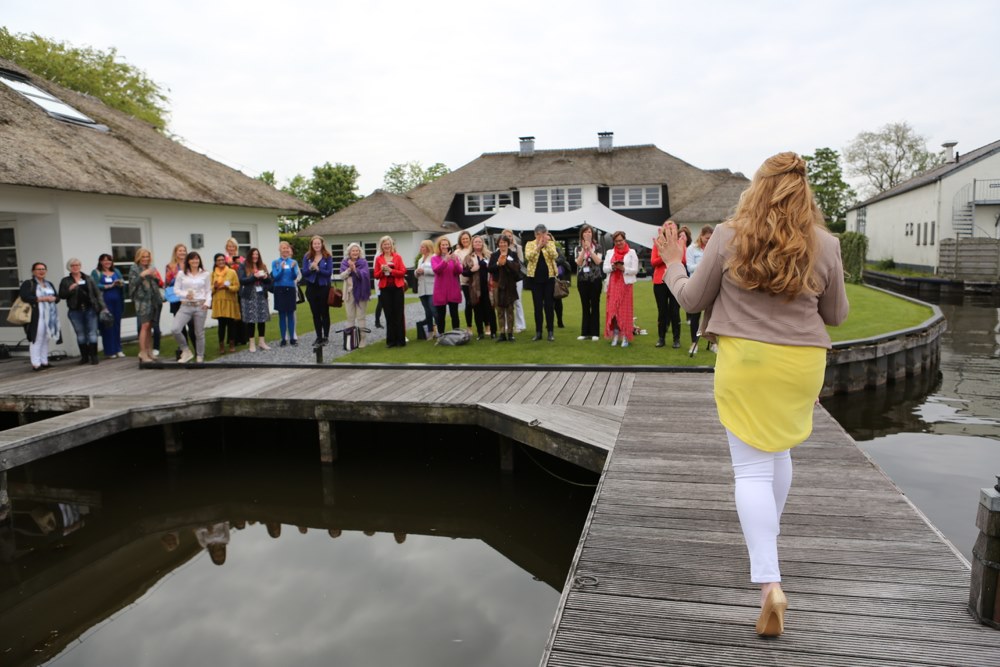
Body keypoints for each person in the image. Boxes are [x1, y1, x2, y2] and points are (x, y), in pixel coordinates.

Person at [657, 151, 849, 637]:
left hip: (746, 362)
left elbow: (692, 299)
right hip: (801, 366)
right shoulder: (825, 244)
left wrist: (674, 264)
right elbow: (837, 315)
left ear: (757, 189)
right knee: (777, 451)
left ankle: (769, 582)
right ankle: (768, 544)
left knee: (749, 467)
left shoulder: (727, 236)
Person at [58, 257, 105, 365]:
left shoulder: (88, 278)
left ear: (80, 266)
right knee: (80, 334)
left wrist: (103, 307)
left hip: (90, 309)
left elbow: (97, 293)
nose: (75, 267)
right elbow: (61, 295)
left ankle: (94, 356)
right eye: (73, 265)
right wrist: (70, 289)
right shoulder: (65, 281)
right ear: (69, 268)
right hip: (75, 311)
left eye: (77, 265)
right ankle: (84, 357)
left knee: (92, 333)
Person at [19, 262, 60, 370]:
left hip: (49, 316)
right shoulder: (29, 283)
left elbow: (57, 297)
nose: (41, 271)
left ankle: (44, 361)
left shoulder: (49, 283)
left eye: (43, 269)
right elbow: (25, 297)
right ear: (33, 271)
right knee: (36, 339)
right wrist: (42, 299)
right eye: (38, 269)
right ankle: (36, 364)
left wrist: (54, 298)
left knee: (46, 338)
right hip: (36, 315)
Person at [651, 220, 685, 348]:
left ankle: (676, 339)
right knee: (662, 311)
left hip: (674, 280)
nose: (670, 228)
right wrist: (665, 256)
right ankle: (661, 338)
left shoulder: (679, 243)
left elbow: (683, 259)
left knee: (675, 311)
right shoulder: (658, 244)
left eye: (672, 227)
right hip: (660, 282)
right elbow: (653, 262)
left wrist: (668, 256)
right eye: (667, 226)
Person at [172, 251, 211, 363]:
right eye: (192, 259)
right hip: (185, 306)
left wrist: (207, 303)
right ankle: (186, 350)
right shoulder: (181, 274)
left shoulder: (205, 274)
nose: (195, 261)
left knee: (199, 333)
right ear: (188, 261)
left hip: (200, 305)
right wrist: (185, 294)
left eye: (197, 259)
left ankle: (200, 356)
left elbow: (208, 290)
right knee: (175, 329)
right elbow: (176, 290)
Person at [603, 231, 639, 347]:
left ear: (625, 240)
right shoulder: (610, 252)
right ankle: (615, 334)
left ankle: (625, 336)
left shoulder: (631, 252)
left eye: (621, 240)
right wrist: (613, 267)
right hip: (613, 284)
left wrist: (624, 268)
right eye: (617, 241)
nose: (619, 243)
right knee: (613, 310)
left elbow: (635, 270)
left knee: (625, 311)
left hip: (626, 285)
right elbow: (605, 268)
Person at [127, 247, 163, 362]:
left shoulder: (151, 267)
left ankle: (149, 351)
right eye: (143, 257)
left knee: (150, 327)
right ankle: (142, 352)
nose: (145, 259)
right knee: (144, 325)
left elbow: (158, 283)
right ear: (138, 257)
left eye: (147, 257)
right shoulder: (134, 268)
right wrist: (142, 275)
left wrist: (155, 277)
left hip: (153, 300)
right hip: (142, 301)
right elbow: (132, 285)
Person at [524, 223, 558, 341]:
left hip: (549, 279)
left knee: (549, 306)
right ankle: (538, 332)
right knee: (537, 306)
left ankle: (550, 331)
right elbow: (529, 257)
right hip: (535, 279)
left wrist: (546, 245)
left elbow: (555, 255)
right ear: (535, 235)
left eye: (543, 234)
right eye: (539, 234)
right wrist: (538, 247)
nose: (541, 237)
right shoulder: (530, 244)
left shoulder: (551, 244)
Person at [373, 235, 407, 348]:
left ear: (391, 245)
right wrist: (382, 271)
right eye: (384, 244)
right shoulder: (379, 259)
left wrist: (392, 270)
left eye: (388, 244)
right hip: (385, 289)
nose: (387, 246)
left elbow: (403, 272)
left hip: (397, 288)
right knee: (388, 314)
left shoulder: (397, 257)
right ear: (381, 246)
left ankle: (400, 340)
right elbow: (376, 276)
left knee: (399, 314)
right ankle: (391, 341)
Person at [337, 242, 372, 348]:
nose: (355, 252)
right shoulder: (344, 263)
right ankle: (351, 340)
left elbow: (365, 276)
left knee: (361, 317)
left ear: (359, 252)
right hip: (348, 293)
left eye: (357, 250)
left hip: (361, 292)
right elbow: (342, 276)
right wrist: (349, 269)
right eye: (353, 250)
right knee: (350, 317)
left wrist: (355, 270)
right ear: (349, 252)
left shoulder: (363, 262)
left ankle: (362, 339)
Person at [165, 244, 197, 359]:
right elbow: (167, 283)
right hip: (177, 300)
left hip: (189, 299)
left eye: (184, 251)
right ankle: (185, 351)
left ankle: (198, 350)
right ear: (175, 252)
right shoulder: (170, 266)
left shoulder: (191, 264)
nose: (182, 253)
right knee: (180, 327)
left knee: (192, 325)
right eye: (180, 251)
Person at [237, 247, 272, 352]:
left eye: (257, 254)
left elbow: (270, 281)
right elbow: (242, 280)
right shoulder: (243, 266)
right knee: (251, 320)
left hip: (261, 295)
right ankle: (251, 343)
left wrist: (265, 277)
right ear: (249, 255)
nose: (255, 256)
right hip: (249, 296)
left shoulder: (262, 265)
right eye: (253, 254)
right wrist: (254, 276)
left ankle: (262, 342)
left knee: (262, 319)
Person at [685, 225, 713, 355]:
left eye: (711, 238)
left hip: (711, 284)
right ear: (701, 236)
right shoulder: (692, 249)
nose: (709, 240)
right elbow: (690, 267)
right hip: (696, 284)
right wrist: (704, 264)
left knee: (711, 315)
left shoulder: (714, 248)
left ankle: (712, 342)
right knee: (695, 315)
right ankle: (693, 343)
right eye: (707, 238)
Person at [301, 235, 334, 345]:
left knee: (324, 312)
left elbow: (329, 273)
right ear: (311, 245)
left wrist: (318, 269)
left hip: (324, 287)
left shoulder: (327, 256)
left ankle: (326, 336)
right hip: (311, 288)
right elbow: (304, 273)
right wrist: (311, 268)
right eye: (314, 243)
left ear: (322, 244)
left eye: (318, 243)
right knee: (315, 314)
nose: (316, 245)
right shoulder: (307, 256)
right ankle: (318, 336)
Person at [488, 234, 521, 342]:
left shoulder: (513, 254)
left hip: (510, 285)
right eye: (500, 243)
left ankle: (510, 333)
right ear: (498, 244)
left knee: (510, 309)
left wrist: (506, 262)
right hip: (497, 284)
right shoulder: (494, 255)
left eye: (504, 242)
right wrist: (498, 263)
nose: (502, 244)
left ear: (508, 243)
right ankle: (502, 333)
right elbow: (490, 269)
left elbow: (517, 268)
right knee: (500, 310)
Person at [92, 253, 125, 359]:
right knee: (107, 325)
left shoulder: (116, 271)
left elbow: (123, 281)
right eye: (105, 260)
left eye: (109, 260)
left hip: (117, 301)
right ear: (100, 261)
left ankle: (118, 349)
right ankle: (110, 350)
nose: (107, 262)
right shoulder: (96, 272)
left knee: (117, 324)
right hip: (104, 302)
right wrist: (108, 285)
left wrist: (120, 283)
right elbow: (94, 285)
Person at [464, 235, 496, 340]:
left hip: (488, 286)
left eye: (479, 242)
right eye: (475, 242)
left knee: (490, 309)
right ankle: (480, 333)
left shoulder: (489, 255)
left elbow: (495, 269)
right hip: (475, 288)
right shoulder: (469, 257)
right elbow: (464, 272)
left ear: (483, 243)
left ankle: (493, 332)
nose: (477, 244)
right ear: (472, 244)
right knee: (477, 310)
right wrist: (472, 270)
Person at [575, 224, 603, 341]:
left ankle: (595, 332)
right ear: (582, 234)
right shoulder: (578, 248)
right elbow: (579, 263)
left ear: (593, 234)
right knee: (585, 306)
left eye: (590, 232)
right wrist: (584, 250)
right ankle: (585, 332)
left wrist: (590, 250)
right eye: (585, 232)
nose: (588, 234)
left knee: (595, 305)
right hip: (582, 280)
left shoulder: (598, 247)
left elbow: (598, 261)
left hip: (595, 279)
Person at [270, 241, 301, 346]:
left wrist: (292, 268)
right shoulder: (275, 262)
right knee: (282, 315)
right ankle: (283, 338)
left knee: (290, 314)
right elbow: (275, 277)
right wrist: (281, 270)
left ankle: (292, 338)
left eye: (287, 248)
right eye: (283, 248)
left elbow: (294, 277)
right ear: (280, 250)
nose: (285, 250)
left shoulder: (293, 262)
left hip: (290, 289)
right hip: (279, 289)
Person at [431, 235, 462, 334]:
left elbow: (459, 271)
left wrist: (455, 262)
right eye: (442, 245)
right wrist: (445, 261)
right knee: (441, 315)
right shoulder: (435, 258)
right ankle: (441, 334)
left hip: (453, 289)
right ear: (439, 246)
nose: (444, 247)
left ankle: (456, 333)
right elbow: (436, 270)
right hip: (440, 290)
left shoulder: (455, 257)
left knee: (454, 314)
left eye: (446, 245)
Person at [211, 253, 240, 354]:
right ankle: (221, 345)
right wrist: (214, 287)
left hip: (229, 301)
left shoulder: (232, 272)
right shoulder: (213, 274)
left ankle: (232, 344)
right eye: (219, 260)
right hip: (218, 302)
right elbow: (209, 290)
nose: (221, 262)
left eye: (222, 260)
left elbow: (237, 287)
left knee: (231, 324)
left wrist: (228, 287)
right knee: (221, 325)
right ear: (215, 262)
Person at [224, 237, 248, 347]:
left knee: (241, 313)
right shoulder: (223, 259)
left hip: (240, 288)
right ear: (226, 248)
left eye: (233, 246)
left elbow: (246, 271)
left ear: (236, 247)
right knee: (231, 315)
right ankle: (232, 339)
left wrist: (239, 264)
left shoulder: (242, 259)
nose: (231, 248)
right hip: (229, 290)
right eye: (229, 246)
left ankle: (243, 338)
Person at [501, 228, 526, 333]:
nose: (508, 238)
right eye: (506, 236)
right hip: (505, 279)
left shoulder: (517, 247)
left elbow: (521, 262)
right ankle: (507, 325)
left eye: (510, 236)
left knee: (517, 301)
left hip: (516, 278)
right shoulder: (499, 248)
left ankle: (520, 325)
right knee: (505, 301)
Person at [413, 240, 436, 340]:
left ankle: (439, 330)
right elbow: (416, 274)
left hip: (432, 287)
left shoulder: (434, 257)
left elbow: (436, 271)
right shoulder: (420, 259)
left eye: (422, 247)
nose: (420, 248)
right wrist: (417, 272)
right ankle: (430, 331)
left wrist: (424, 271)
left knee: (434, 309)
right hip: (422, 288)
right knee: (427, 311)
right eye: (420, 247)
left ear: (428, 247)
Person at [453, 230, 474, 333]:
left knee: (480, 304)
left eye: (467, 238)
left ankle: (485, 325)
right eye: (463, 239)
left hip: (477, 280)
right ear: (460, 241)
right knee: (469, 303)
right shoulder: (457, 252)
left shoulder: (474, 248)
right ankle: (469, 326)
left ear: (470, 239)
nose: (465, 240)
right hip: (465, 281)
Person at [553, 248, 571, 329]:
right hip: (546, 278)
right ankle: (549, 321)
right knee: (547, 302)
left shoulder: (556, 249)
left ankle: (560, 320)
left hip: (556, 278)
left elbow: (562, 258)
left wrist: (553, 261)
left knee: (558, 300)